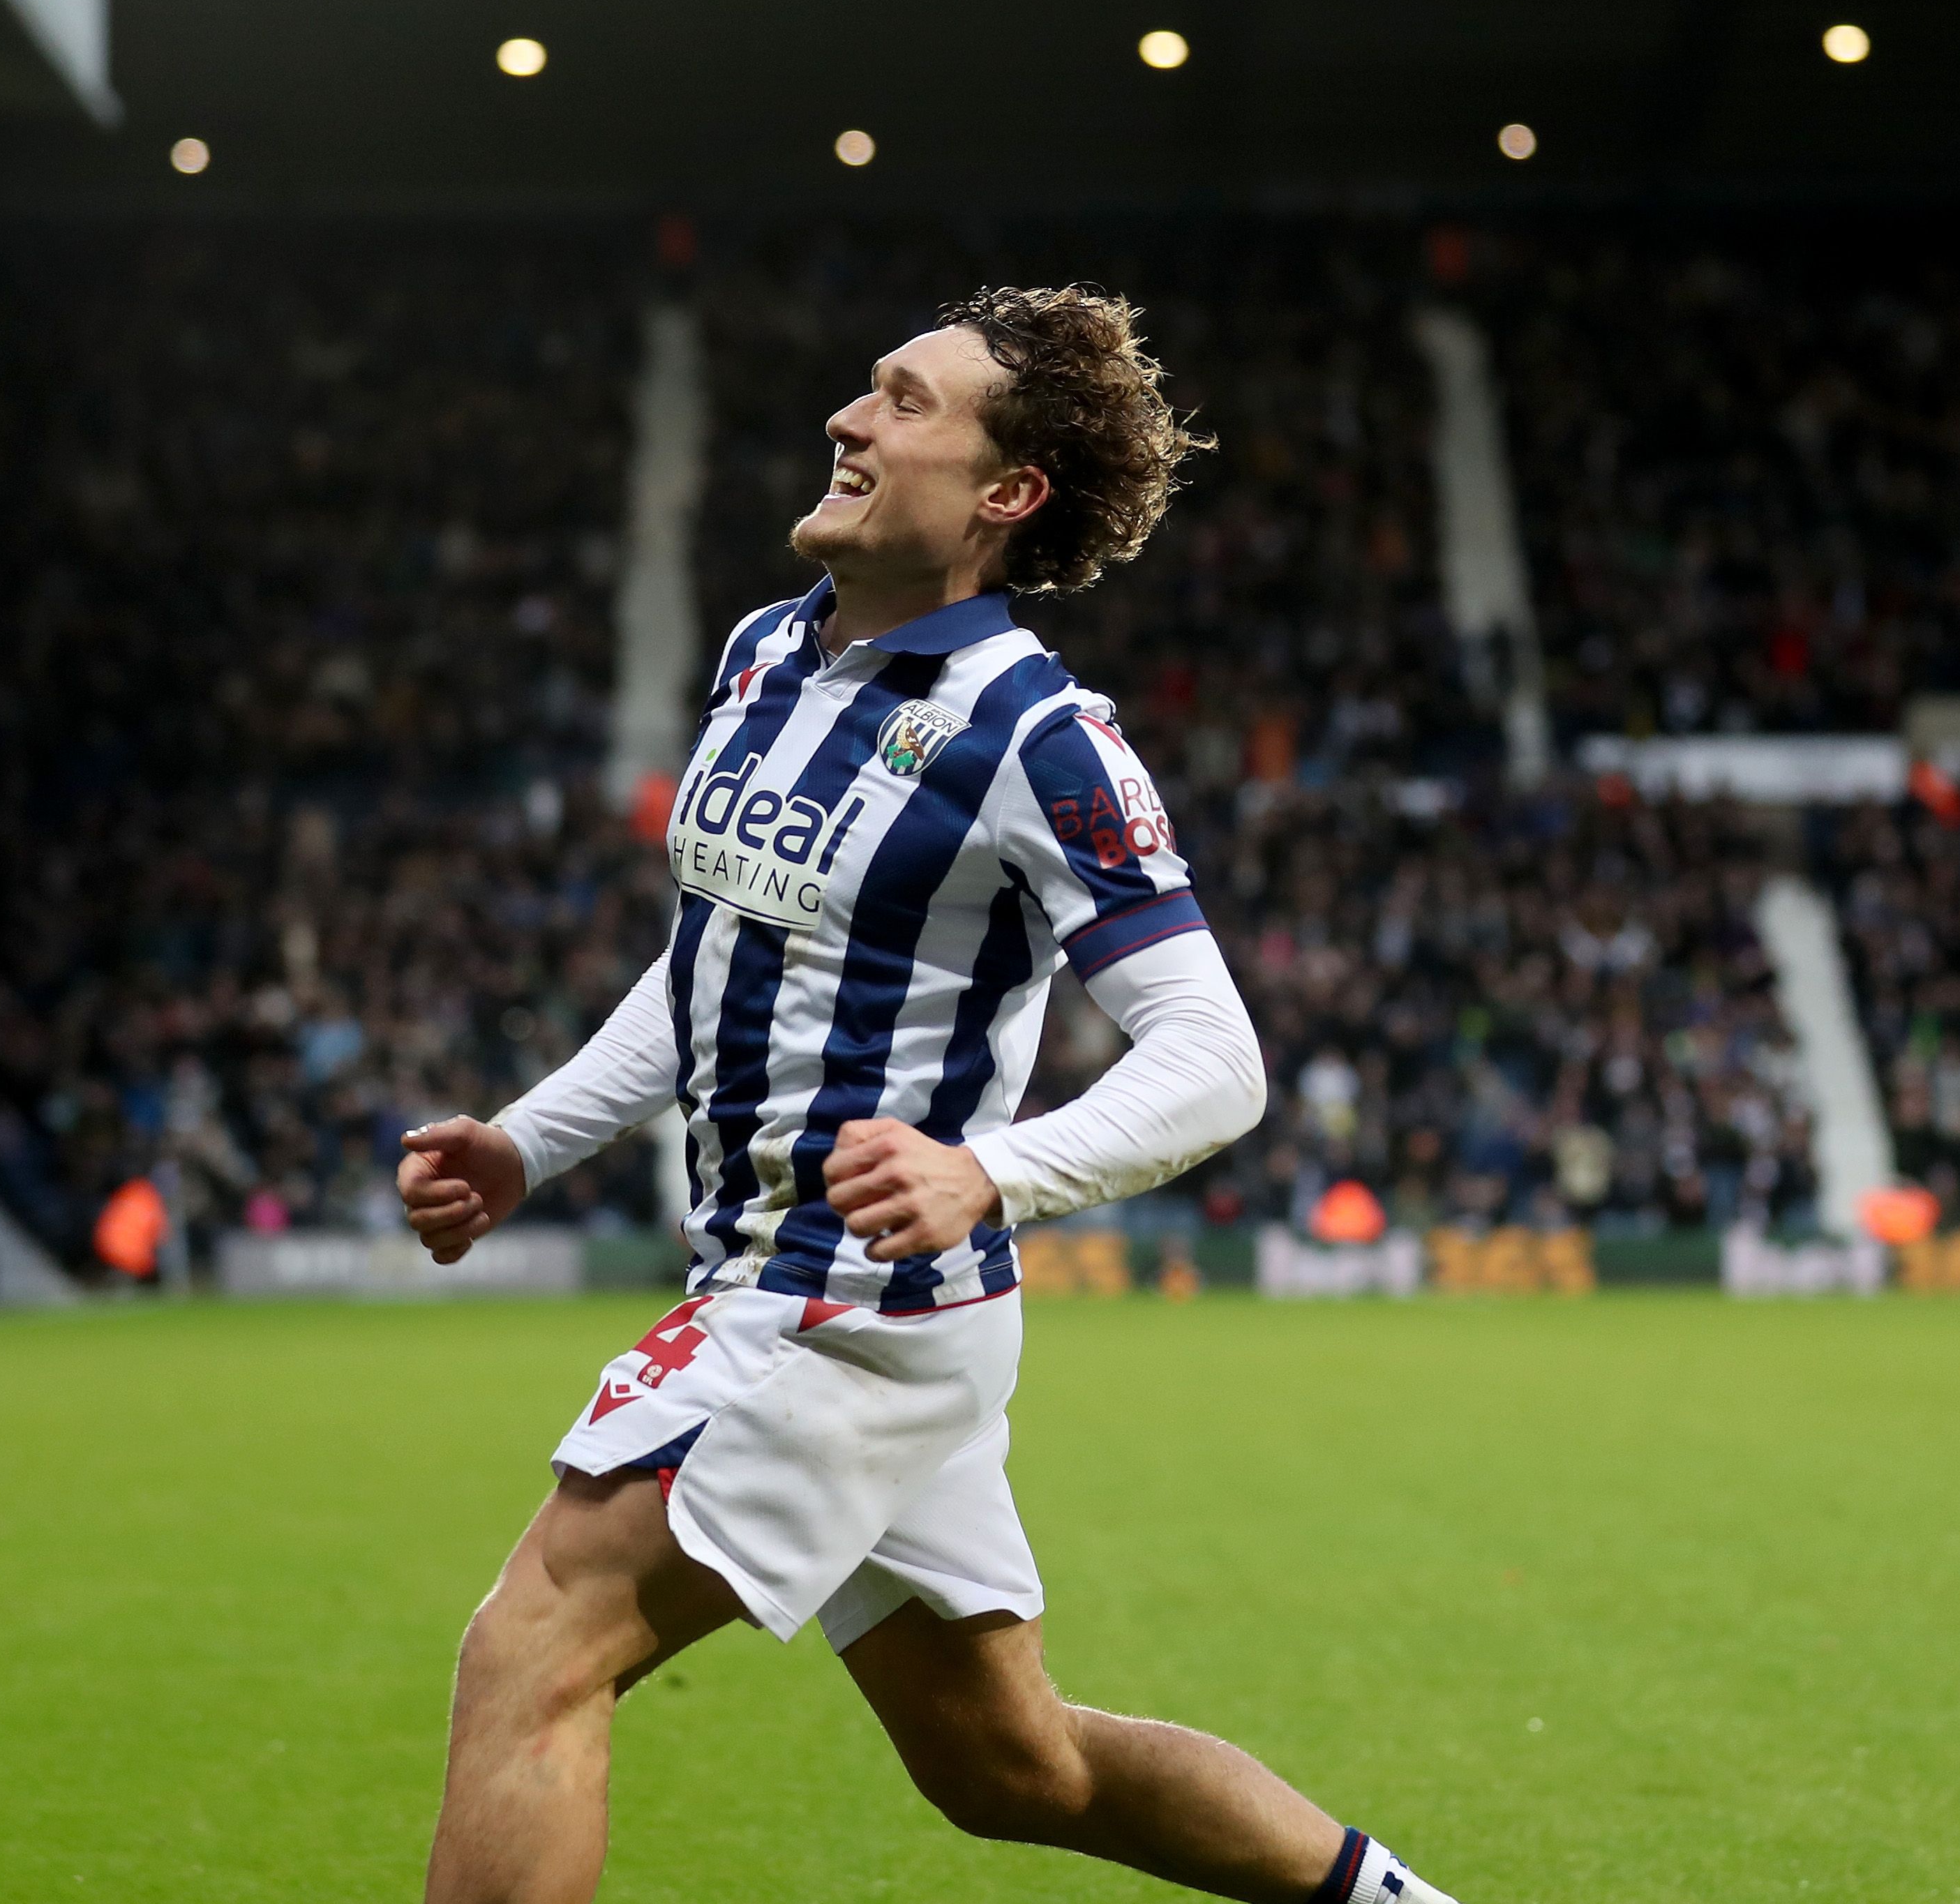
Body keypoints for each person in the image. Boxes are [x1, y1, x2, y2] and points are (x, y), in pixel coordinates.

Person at [398, 286, 1468, 1904]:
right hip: (826, 1295)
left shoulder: (1040, 736)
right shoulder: (767, 650)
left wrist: (992, 1171)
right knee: (1013, 1767)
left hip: (847, 1305)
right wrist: (530, 1138)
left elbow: (1214, 1055)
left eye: (905, 402)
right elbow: (710, 953)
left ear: (1002, 493)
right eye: (867, 385)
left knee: (532, 1647)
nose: (848, 415)